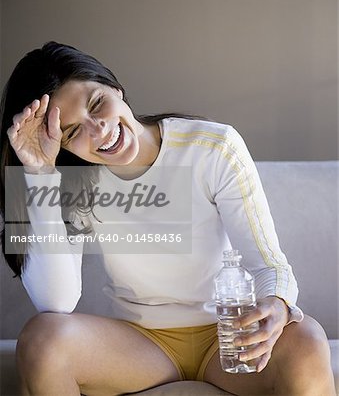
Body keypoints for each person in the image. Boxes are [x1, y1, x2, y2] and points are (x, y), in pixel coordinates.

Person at [0, 41, 335, 396]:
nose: (97, 130)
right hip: (141, 345)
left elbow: (269, 264)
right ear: (63, 147)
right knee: (42, 340)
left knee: (307, 339)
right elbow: (57, 303)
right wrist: (39, 175)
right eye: (71, 132)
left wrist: (277, 305)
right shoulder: (76, 182)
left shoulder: (213, 147)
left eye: (98, 104)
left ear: (115, 88)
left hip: (227, 339)